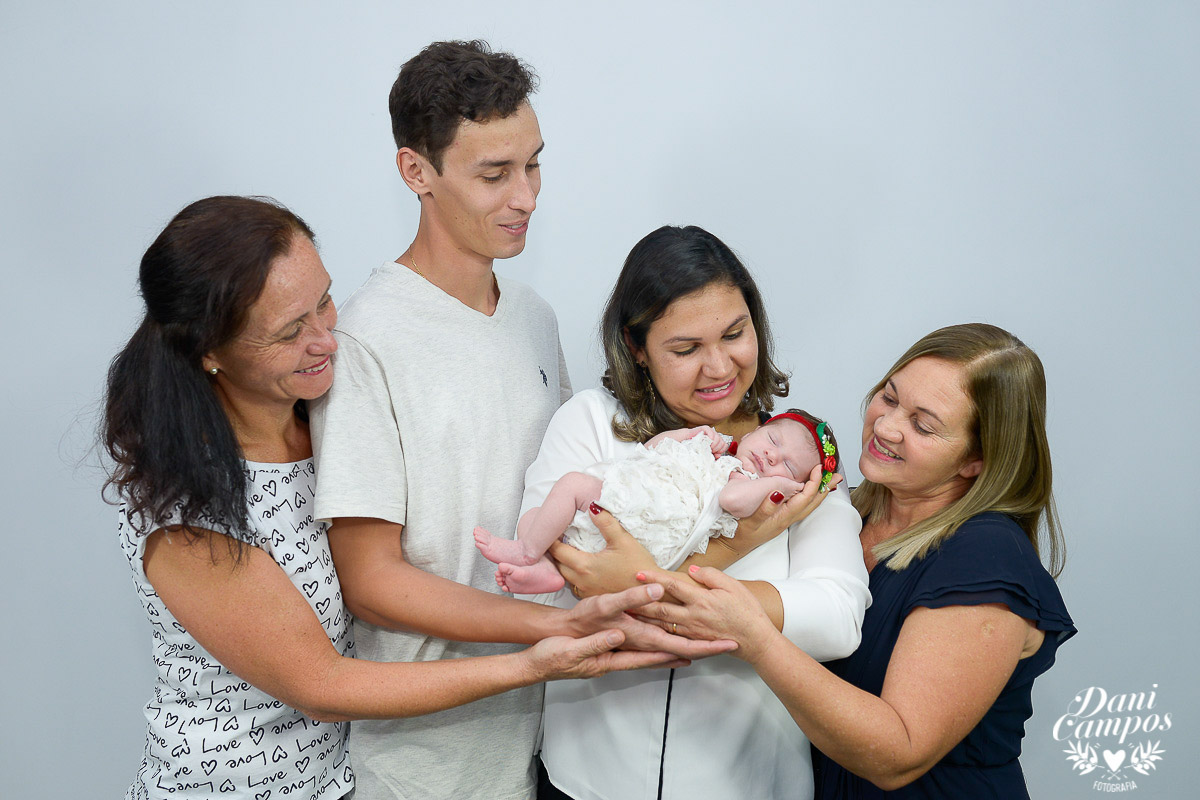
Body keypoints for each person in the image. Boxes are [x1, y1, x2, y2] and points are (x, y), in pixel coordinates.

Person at [104, 196, 684, 800]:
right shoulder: (184, 513)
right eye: (288, 332)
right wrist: (537, 656)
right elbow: (322, 685)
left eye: (323, 301)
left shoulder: (324, 417)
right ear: (208, 352)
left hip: (341, 779)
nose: (328, 339)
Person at [307, 42, 728, 800]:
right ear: (416, 172)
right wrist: (555, 632)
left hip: (547, 741)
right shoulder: (367, 339)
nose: (526, 195)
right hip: (428, 766)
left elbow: (571, 507)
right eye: (495, 174)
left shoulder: (534, 318)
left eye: (533, 164)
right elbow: (370, 583)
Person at [635, 323, 1076, 799]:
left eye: (924, 426)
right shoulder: (839, 511)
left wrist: (755, 637)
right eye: (888, 398)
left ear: (977, 459)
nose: (885, 427)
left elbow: (899, 753)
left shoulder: (987, 558)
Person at [528, 224, 871, 800]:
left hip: (750, 783)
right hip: (583, 780)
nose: (719, 368)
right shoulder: (590, 423)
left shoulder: (791, 459)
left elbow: (839, 620)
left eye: (735, 334)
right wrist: (737, 553)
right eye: (685, 350)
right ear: (637, 348)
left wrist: (641, 587)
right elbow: (538, 588)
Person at [474, 410, 842, 594]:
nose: (772, 457)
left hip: (644, 525)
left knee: (571, 486)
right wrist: (688, 435)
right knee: (538, 515)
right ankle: (547, 568)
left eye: (788, 466)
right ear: (757, 430)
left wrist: (772, 485)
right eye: (773, 440)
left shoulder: (741, 479)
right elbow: (649, 452)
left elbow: (733, 501)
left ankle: (526, 553)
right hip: (627, 499)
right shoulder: (714, 451)